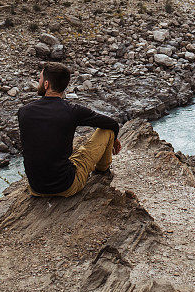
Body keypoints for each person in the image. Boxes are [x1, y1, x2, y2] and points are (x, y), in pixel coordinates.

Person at [18, 62, 121, 197]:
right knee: (107, 131)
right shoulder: (72, 110)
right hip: (66, 186)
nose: (38, 81)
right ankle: (102, 171)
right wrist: (114, 140)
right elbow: (112, 124)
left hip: (36, 188)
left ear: (47, 84)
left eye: (40, 79)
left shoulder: (24, 111)